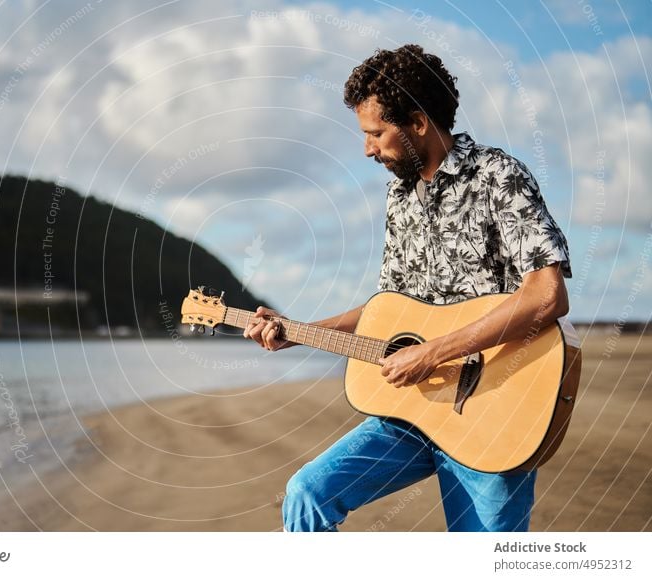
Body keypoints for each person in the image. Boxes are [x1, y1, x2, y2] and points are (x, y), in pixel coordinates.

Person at [243, 44, 576, 532]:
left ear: (417, 123)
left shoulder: (497, 176)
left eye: (376, 133)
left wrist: (432, 352)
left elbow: (547, 295)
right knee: (307, 494)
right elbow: (389, 312)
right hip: (412, 413)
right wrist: (296, 330)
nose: (368, 148)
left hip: (492, 412)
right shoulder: (400, 198)